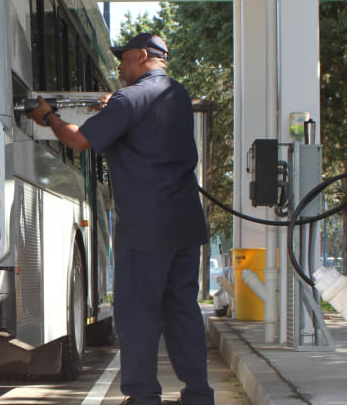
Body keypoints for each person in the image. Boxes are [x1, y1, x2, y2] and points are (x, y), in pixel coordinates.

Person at [26, 32, 214, 405]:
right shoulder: (177, 94)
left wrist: (48, 117)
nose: (119, 67)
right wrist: (115, 106)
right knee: (183, 312)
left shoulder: (129, 99)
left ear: (141, 56)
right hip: (185, 224)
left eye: (123, 59)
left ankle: (143, 397)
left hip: (146, 228)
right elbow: (144, 121)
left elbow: (78, 140)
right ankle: (198, 395)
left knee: (138, 315)